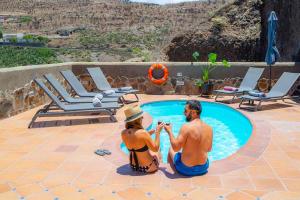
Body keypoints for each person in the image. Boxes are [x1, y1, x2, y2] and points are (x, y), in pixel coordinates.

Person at [165, 100, 213, 176]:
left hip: (186, 169)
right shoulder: (209, 128)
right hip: (203, 167)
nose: (183, 113)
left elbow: (176, 148)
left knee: (171, 148)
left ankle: (170, 168)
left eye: (185, 111)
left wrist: (169, 131)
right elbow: (209, 149)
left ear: (194, 112)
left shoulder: (186, 127)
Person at [121, 104, 164, 173]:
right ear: (137, 119)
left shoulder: (123, 133)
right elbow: (155, 148)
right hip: (148, 167)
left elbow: (136, 140)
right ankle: (159, 166)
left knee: (148, 150)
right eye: (141, 117)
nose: (142, 118)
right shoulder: (143, 133)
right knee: (159, 151)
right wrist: (158, 133)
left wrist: (148, 133)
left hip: (133, 166)